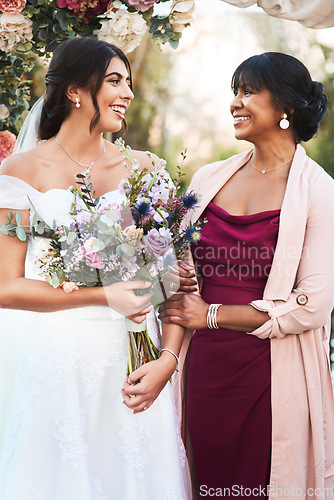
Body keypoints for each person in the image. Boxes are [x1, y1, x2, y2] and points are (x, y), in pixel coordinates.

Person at [0, 37, 192, 499]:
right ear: (74, 90)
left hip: (133, 366)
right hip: (49, 362)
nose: (127, 93)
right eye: (114, 81)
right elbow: (6, 287)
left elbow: (179, 282)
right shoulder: (18, 174)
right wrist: (103, 294)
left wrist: (167, 362)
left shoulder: (145, 169)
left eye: (129, 82)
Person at [159, 52, 334, 499]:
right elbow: (178, 274)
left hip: (272, 371)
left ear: (286, 109)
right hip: (202, 368)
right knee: (202, 480)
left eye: (249, 91)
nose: (236, 102)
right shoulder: (206, 178)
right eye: (234, 92)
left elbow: (313, 304)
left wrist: (212, 314)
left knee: (259, 484)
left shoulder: (320, 192)